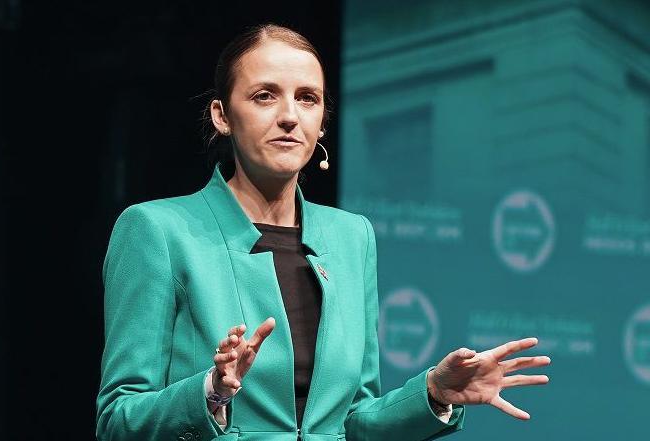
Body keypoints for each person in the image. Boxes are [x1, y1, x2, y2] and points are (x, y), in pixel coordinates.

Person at [95, 23, 551, 441]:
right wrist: (210, 393)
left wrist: (433, 392)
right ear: (221, 115)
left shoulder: (352, 238)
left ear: (322, 122)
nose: (290, 116)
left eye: (307, 98)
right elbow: (117, 420)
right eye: (264, 96)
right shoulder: (157, 230)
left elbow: (355, 420)